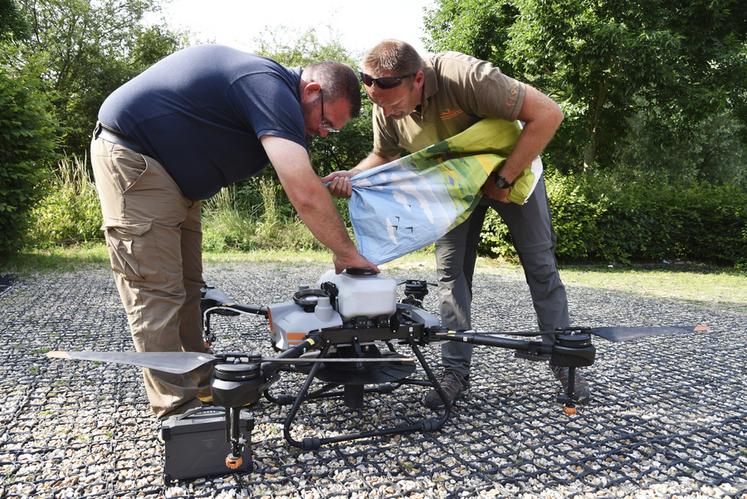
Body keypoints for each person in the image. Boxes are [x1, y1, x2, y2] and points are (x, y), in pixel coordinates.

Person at [90, 44, 378, 419]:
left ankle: (201, 383)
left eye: (332, 130)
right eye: (326, 123)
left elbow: (306, 186)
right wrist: (346, 252)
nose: (324, 134)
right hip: (137, 161)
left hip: (175, 181)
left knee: (188, 288)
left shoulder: (275, 93)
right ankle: (178, 410)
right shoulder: (268, 87)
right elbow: (303, 190)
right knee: (156, 292)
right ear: (311, 91)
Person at [323, 39, 589, 409]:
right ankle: (454, 372)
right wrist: (352, 176)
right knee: (450, 274)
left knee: (540, 264)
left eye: (394, 104)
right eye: (378, 105)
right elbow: (384, 154)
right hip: (451, 188)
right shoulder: (384, 102)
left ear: (418, 79)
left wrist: (504, 180)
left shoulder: (467, 78)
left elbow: (549, 114)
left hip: (508, 172)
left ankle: (565, 360)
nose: (388, 112)